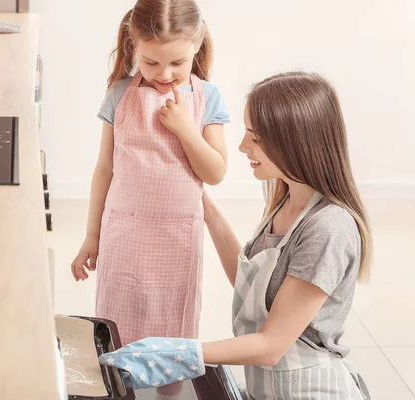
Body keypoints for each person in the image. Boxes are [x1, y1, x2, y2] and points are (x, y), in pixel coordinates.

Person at [100, 71, 373, 399]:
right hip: (269, 389)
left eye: (256, 138)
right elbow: (249, 281)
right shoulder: (287, 204)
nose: (243, 147)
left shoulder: (327, 229)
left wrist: (181, 353)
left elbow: (271, 346)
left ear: (296, 142)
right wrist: (192, 195)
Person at [71, 1, 230, 398]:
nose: (165, 74)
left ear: (197, 45)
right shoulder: (119, 94)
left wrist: (184, 129)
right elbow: (104, 170)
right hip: (124, 231)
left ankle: (168, 393)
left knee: (172, 326)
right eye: (151, 63)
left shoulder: (207, 97)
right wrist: (93, 235)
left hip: (178, 237)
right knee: (119, 321)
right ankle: (120, 388)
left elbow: (215, 172)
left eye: (177, 62)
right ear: (133, 48)